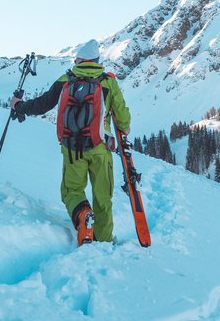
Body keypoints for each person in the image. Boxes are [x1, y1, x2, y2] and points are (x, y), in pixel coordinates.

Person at [11, 38, 131, 245]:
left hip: (72, 149)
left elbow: (43, 104)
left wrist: (19, 106)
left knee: (71, 191)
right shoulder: (108, 82)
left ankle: (82, 215)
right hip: (100, 148)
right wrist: (124, 128)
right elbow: (123, 119)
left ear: (79, 60)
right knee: (103, 197)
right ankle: (103, 240)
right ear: (97, 60)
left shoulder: (66, 79)